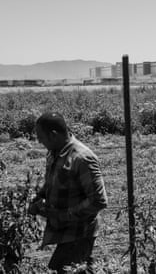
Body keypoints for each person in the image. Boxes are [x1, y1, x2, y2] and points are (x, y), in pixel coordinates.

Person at [29, 112, 108, 274]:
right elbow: (52, 182)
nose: (39, 141)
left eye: (41, 136)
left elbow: (98, 201)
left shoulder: (82, 158)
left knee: (66, 269)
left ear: (53, 135)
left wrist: (63, 215)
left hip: (80, 231)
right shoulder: (54, 153)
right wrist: (38, 197)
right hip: (66, 231)